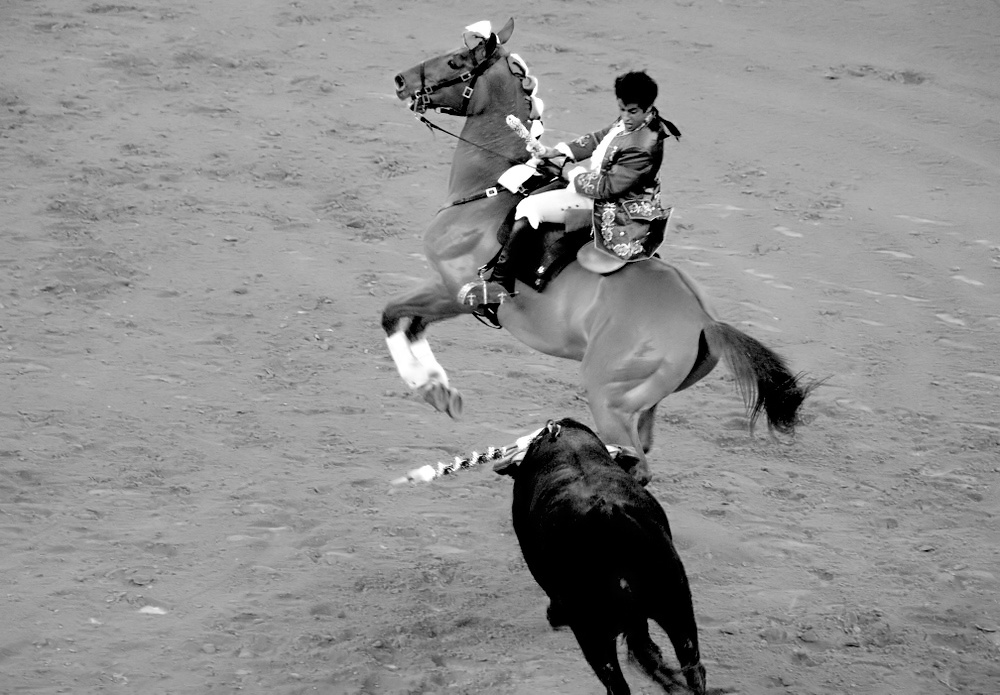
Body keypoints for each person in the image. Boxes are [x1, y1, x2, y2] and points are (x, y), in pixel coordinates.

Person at [464, 70, 680, 308]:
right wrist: (558, 152)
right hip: (615, 196)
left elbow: (607, 187)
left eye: (632, 112)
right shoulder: (636, 123)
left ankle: (499, 286)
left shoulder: (643, 146)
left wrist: (568, 173)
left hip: (613, 209)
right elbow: (601, 138)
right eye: (622, 109)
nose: (625, 117)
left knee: (529, 206)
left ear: (648, 107)